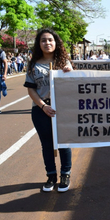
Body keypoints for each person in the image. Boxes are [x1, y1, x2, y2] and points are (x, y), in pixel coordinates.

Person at [24, 28, 73, 192]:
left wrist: (69, 74)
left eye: (50, 40)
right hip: (41, 109)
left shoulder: (64, 62)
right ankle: (51, 175)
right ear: (39, 44)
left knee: (64, 142)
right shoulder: (33, 65)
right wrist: (43, 106)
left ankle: (65, 173)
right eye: (43, 40)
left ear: (56, 42)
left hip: (61, 108)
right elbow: (31, 90)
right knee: (46, 144)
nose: (47, 43)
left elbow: (73, 86)